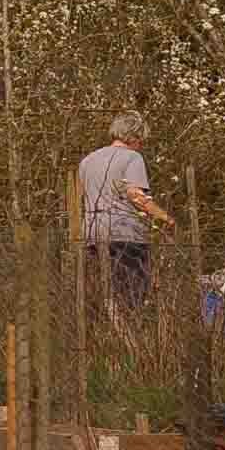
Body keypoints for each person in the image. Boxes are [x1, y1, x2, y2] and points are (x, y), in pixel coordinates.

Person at [75, 113, 175, 317]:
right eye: (141, 139)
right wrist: (165, 218)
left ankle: (107, 327)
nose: (142, 144)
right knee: (131, 295)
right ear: (134, 136)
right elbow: (136, 196)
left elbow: (82, 195)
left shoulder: (88, 160)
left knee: (104, 293)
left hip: (92, 233)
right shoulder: (132, 158)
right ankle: (128, 330)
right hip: (125, 233)